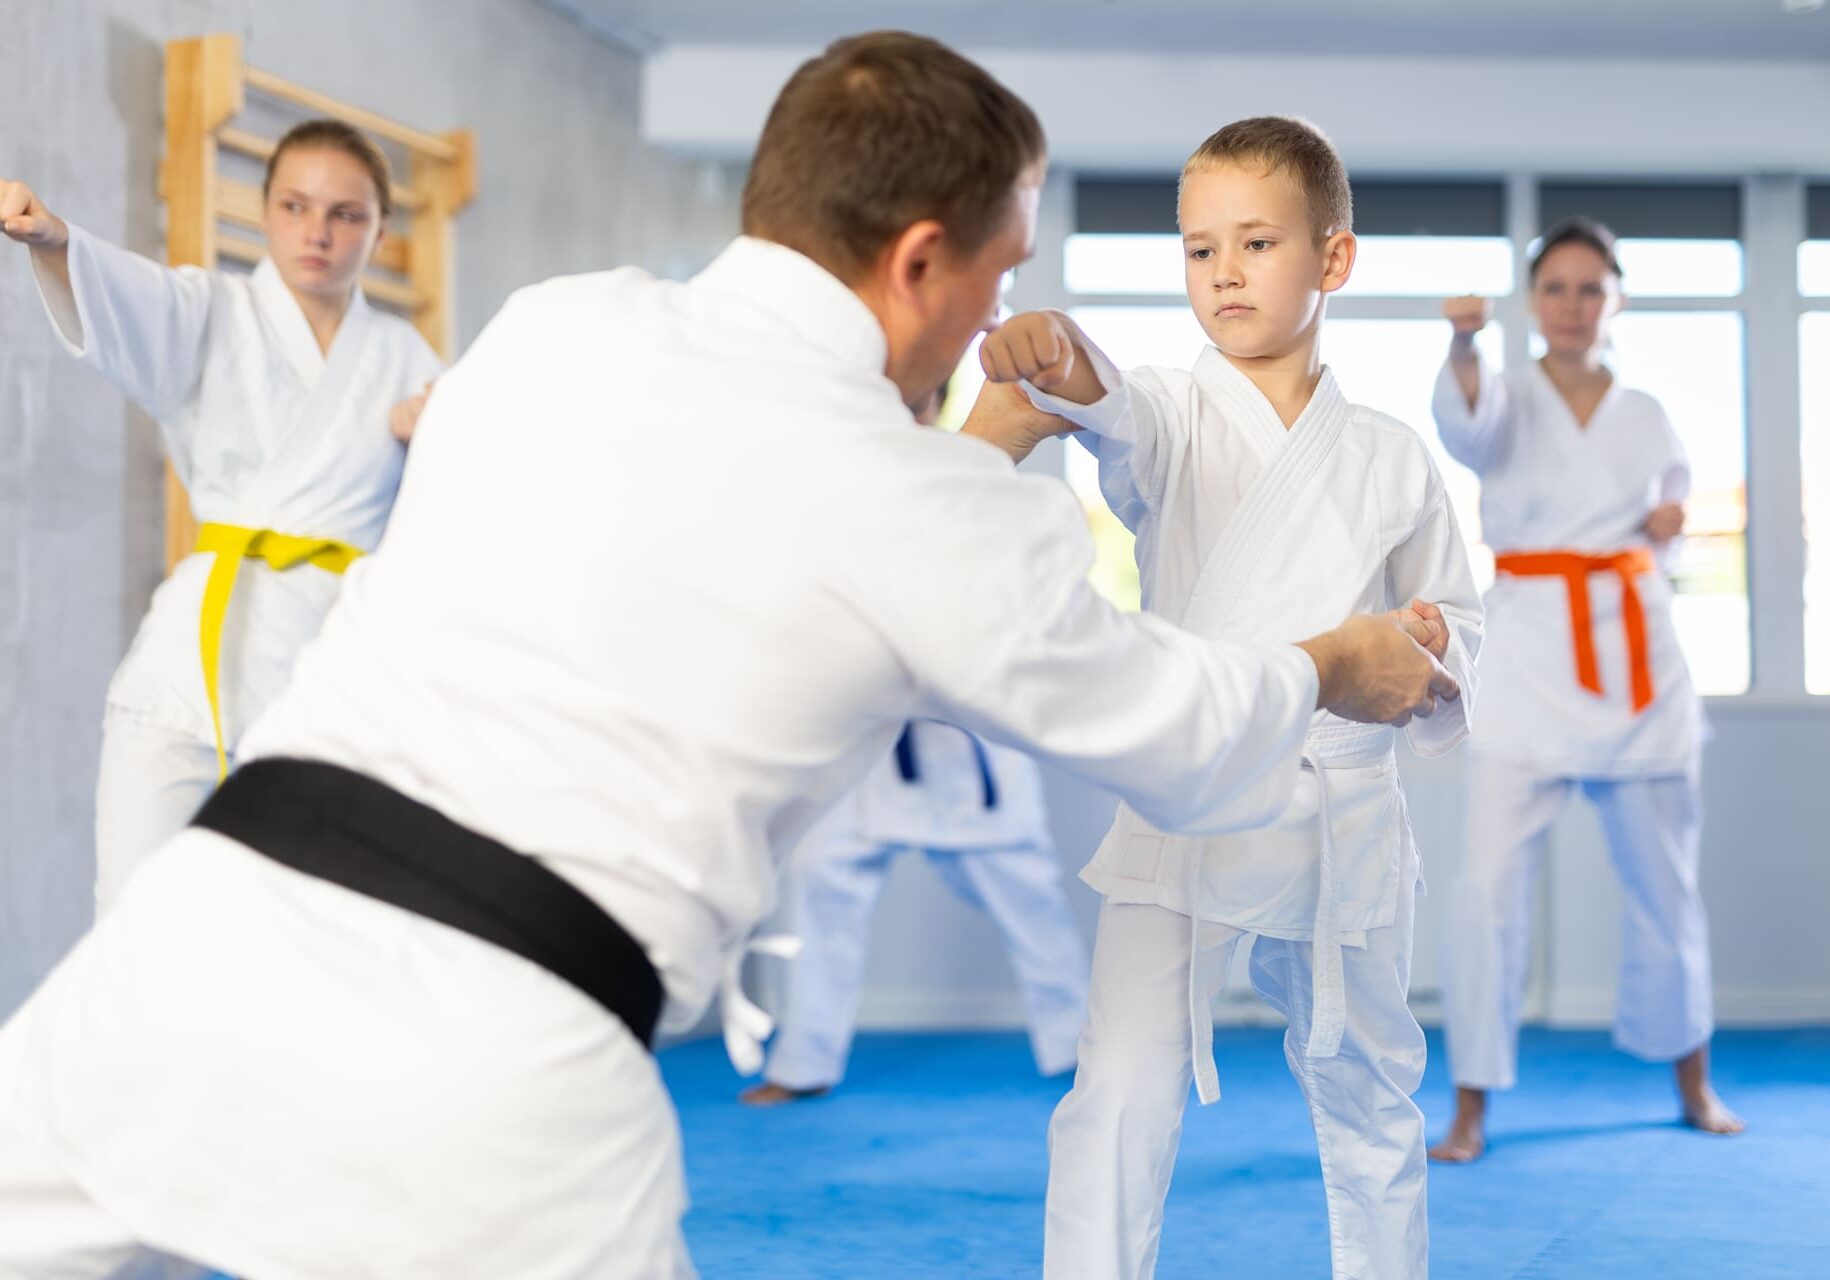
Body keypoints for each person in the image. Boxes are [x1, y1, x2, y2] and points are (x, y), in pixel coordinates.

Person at [0, 36, 1457, 1279]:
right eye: (999, 275)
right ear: (917, 262)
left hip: (179, 950)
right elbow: (1185, 739)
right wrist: (1336, 663)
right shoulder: (920, 511)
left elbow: (764, 507)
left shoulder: (543, 331)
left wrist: (962, 461)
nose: (996, 323)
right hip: (495, 1062)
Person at [969, 116, 1483, 1280]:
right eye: (1199, 250)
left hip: (1339, 800)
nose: (1225, 273)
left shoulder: (1395, 453)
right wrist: (1058, 354)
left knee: (1369, 1089)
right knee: (1123, 1084)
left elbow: (1458, 612)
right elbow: (1109, 405)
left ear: (1333, 260)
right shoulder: (1171, 410)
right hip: (1188, 790)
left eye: (1257, 243)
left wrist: (1441, 640)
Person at [1, 120, 442, 911]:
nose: (318, 231)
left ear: (380, 232)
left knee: (296, 941)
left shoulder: (406, 357)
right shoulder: (214, 309)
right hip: (188, 672)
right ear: (266, 210)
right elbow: (134, 299)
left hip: (328, 686)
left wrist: (438, 435)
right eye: (296, 205)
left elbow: (462, 517)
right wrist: (56, 242)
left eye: (347, 215)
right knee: (138, 921)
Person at [1427, 216, 1742, 1164]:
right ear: (1533, 303)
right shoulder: (1507, 394)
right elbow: (1463, 426)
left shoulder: (1646, 410)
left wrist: (1669, 523)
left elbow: (1670, 522)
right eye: (1556, 289)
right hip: (1527, 652)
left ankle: (1693, 1078)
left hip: (1636, 653)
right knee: (1485, 889)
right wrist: (1463, 341)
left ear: (1617, 301)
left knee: (1668, 887)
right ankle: (1472, 1100)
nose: (1572, 306)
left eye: (1590, 289)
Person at [744, 381, 1089, 1103]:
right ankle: (803, 1063)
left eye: (913, 397)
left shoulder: (974, 475)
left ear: (933, 400)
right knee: (821, 894)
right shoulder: (828, 479)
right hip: (864, 737)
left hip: (964, 736)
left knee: (1032, 904)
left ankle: (1079, 1050)